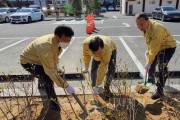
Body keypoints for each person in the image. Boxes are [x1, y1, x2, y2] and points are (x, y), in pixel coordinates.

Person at [19, 25, 75, 111]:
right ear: (57, 37)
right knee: (48, 79)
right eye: (66, 40)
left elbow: (54, 58)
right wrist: (65, 86)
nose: (67, 43)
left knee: (49, 73)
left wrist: (56, 70)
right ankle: (53, 103)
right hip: (28, 62)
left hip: (39, 60)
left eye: (69, 40)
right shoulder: (45, 46)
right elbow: (50, 70)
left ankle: (41, 84)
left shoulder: (56, 41)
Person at [135, 13, 176, 100]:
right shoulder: (145, 28)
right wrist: (148, 51)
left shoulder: (157, 29)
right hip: (157, 46)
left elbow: (154, 48)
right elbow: (150, 42)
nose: (140, 27)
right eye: (137, 25)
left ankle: (159, 91)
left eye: (141, 24)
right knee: (151, 64)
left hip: (168, 47)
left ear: (148, 21)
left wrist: (149, 61)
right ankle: (149, 81)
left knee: (162, 67)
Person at [82, 35, 116, 101]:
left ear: (102, 48)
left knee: (111, 68)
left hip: (112, 48)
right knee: (93, 68)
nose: (97, 55)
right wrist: (86, 67)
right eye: (94, 53)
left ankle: (106, 87)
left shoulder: (107, 48)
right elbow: (86, 55)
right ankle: (93, 85)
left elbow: (102, 68)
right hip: (97, 49)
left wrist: (98, 84)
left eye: (99, 53)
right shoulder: (85, 45)